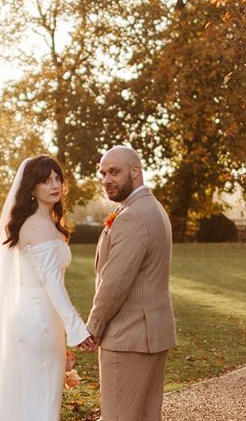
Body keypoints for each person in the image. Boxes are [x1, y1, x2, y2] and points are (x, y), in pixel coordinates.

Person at [0, 155, 94, 421]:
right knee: (40, 397)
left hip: (43, 319)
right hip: (38, 319)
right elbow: (52, 283)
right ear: (32, 187)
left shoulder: (46, 223)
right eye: (45, 180)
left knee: (37, 394)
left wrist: (62, 335)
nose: (54, 185)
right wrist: (76, 329)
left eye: (56, 178)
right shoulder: (37, 225)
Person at [86, 146, 177, 421]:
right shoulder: (153, 208)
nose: (106, 179)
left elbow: (115, 283)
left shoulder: (133, 216)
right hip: (151, 335)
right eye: (103, 173)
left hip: (129, 337)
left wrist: (94, 326)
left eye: (114, 172)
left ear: (135, 171)